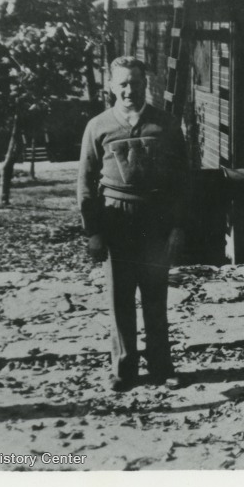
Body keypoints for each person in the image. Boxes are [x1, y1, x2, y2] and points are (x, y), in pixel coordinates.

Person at [78, 56, 188, 392]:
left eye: (136, 83)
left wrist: (178, 226)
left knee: (155, 296)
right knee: (120, 297)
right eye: (123, 83)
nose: (129, 90)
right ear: (112, 86)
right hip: (116, 220)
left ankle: (161, 367)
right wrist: (94, 232)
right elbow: (85, 182)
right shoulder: (98, 126)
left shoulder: (166, 124)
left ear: (145, 85)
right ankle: (124, 370)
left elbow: (182, 181)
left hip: (156, 219)